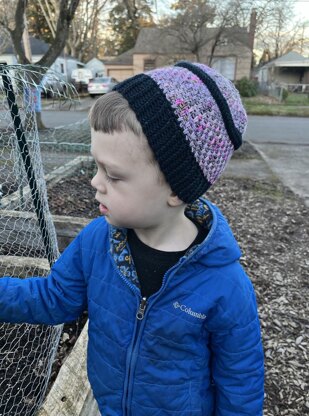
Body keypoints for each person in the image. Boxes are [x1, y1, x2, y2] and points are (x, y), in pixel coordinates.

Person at [0, 62, 264, 415]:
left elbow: (240, 385)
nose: (95, 182)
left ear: (177, 188)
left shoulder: (224, 285)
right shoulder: (97, 242)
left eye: (113, 174)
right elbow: (54, 298)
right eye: (96, 166)